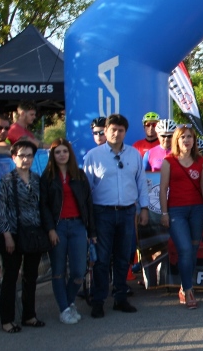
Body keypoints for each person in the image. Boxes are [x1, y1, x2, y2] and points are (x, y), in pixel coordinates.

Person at [83, 114, 150, 318]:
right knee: (102, 260)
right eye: (113, 129)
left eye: (121, 130)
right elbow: (86, 189)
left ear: (125, 132)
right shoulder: (93, 156)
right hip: (102, 213)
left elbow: (141, 183)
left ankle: (120, 298)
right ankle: (98, 301)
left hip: (127, 212)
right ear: (106, 130)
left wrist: (144, 208)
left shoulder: (133, 155)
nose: (116, 133)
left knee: (123, 257)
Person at [40, 138, 96, 324]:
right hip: (58, 228)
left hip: (78, 226)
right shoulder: (47, 177)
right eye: (57, 152)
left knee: (79, 271)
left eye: (65, 151)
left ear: (70, 154)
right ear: (53, 155)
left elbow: (88, 204)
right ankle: (64, 309)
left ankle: (69, 302)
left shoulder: (79, 175)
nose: (61, 155)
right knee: (58, 271)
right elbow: (44, 207)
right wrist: (50, 229)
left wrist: (91, 231)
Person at [0, 141, 45, 333]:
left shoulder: (37, 179)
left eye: (29, 155)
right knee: (11, 277)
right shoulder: (7, 181)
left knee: (31, 277)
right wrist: (7, 236)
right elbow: (1, 211)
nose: (26, 159)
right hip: (12, 234)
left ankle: (29, 315)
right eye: (22, 155)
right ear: (14, 157)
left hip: (33, 233)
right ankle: (7, 320)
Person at [159, 124, 203, 309]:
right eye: (183, 137)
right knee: (185, 249)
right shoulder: (169, 161)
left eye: (190, 137)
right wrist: (164, 213)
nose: (187, 140)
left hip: (197, 209)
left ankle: (184, 285)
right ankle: (189, 291)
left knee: (193, 250)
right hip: (176, 211)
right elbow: (163, 189)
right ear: (177, 140)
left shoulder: (201, 161)